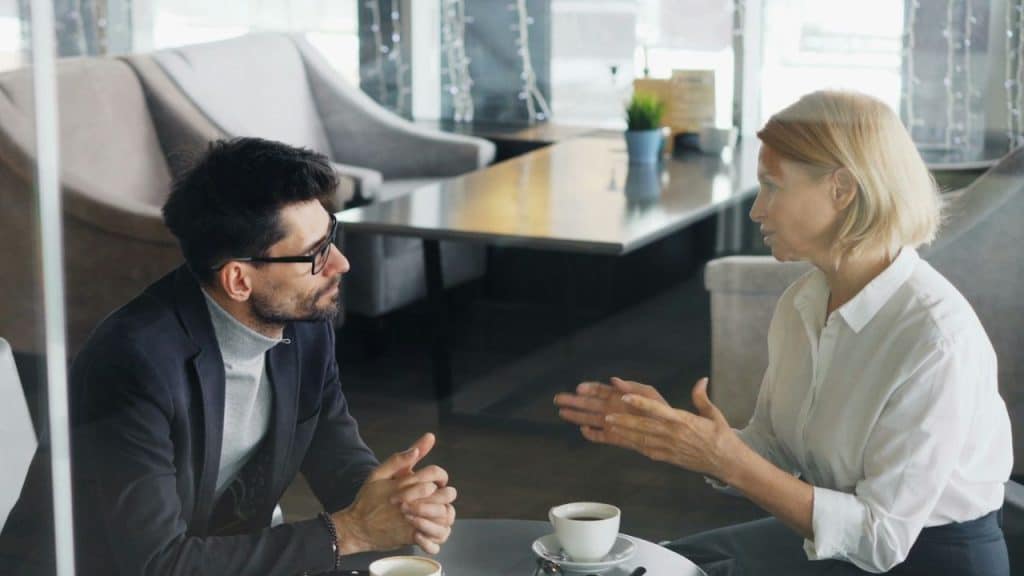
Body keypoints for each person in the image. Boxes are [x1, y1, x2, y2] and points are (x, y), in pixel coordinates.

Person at [555, 91, 1013, 575]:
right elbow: (777, 449)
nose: (757, 210)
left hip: (929, 560)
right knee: (663, 564)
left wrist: (728, 460)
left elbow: (881, 539)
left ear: (842, 189)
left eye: (772, 186)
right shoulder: (804, 301)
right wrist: (679, 434)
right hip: (833, 540)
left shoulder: (935, 339)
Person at [0, 138, 456, 576]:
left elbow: (335, 455)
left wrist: (396, 500)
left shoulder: (304, 327)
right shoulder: (133, 363)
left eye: (330, 236)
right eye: (315, 254)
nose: (340, 263)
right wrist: (349, 532)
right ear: (239, 280)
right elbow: (158, 564)